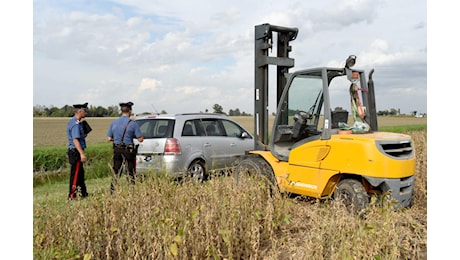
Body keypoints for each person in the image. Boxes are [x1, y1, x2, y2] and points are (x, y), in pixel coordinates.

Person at [107, 102, 144, 194]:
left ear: (121, 111)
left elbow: (109, 138)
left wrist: (117, 140)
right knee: (130, 170)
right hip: (128, 150)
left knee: (116, 170)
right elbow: (140, 139)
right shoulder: (133, 124)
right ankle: (132, 190)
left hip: (117, 149)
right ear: (130, 111)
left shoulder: (114, 123)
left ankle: (112, 191)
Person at [67, 102, 90, 200]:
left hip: (76, 151)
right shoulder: (76, 124)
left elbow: (78, 137)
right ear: (80, 111)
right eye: (85, 111)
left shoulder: (77, 123)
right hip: (76, 152)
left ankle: (83, 193)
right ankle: (72, 195)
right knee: (76, 174)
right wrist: (81, 153)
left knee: (80, 173)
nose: (86, 113)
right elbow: (75, 140)